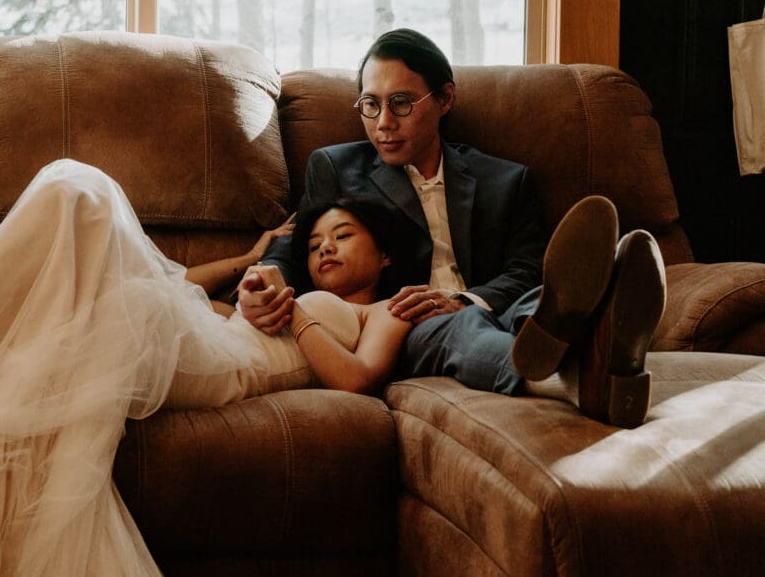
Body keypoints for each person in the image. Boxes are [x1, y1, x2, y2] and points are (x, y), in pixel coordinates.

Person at [0, 159, 414, 575]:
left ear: (385, 255)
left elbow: (358, 380)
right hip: (199, 335)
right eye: (313, 243)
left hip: (224, 366)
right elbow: (179, 288)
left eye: (343, 236)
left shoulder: (385, 309)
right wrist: (249, 264)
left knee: (80, 194)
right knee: (73, 187)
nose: (324, 247)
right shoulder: (277, 293)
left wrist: (295, 319)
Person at [239, 27, 666, 429]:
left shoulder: (505, 179)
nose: (383, 122)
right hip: (403, 322)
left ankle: (604, 327)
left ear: (444, 99)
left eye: (401, 103)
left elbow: (526, 269)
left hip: (487, 305)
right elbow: (296, 247)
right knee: (459, 330)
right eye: (371, 104)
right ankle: (577, 377)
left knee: (539, 301)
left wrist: (465, 299)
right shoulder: (336, 167)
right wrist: (264, 279)